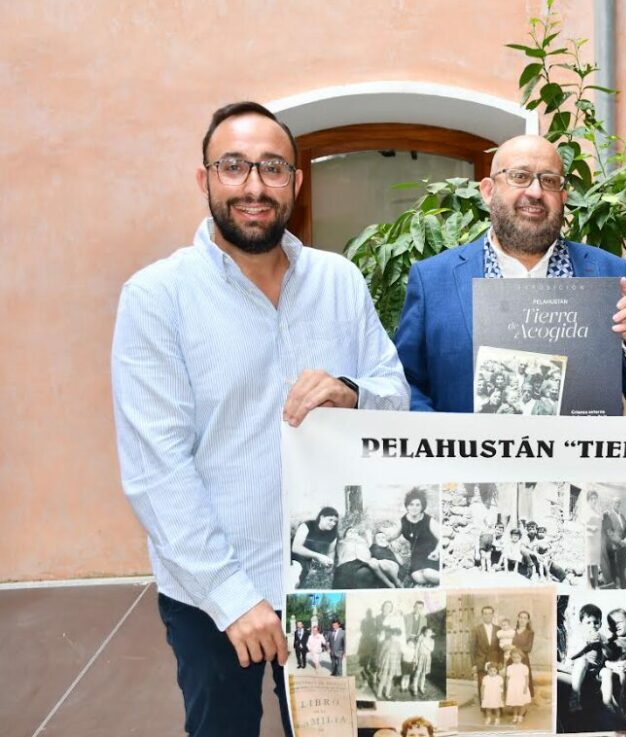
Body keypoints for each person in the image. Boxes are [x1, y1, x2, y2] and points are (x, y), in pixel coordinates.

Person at [111, 101, 409, 737]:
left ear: (296, 183)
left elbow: (395, 392)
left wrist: (354, 392)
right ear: (205, 180)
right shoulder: (157, 298)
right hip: (215, 594)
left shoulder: (340, 280)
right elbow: (156, 470)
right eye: (234, 166)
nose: (253, 186)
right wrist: (232, 597)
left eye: (272, 168)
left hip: (327, 588)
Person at [395, 134, 626, 412]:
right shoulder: (432, 280)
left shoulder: (611, 274)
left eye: (549, 180)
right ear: (488, 191)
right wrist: (444, 446)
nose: (535, 192)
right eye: (520, 176)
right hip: (466, 455)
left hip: (574, 454)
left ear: (562, 196)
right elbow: (405, 384)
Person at [389, 488, 440, 586]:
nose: (414, 508)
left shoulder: (429, 521)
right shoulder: (403, 522)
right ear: (407, 506)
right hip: (416, 557)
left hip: (432, 555)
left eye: (418, 505)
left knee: (428, 574)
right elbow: (391, 536)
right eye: (411, 504)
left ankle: (443, 580)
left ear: (422, 507)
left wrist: (437, 552)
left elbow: (441, 538)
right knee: (418, 578)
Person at [292, 507, 340, 588]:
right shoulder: (307, 526)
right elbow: (295, 548)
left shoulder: (333, 533)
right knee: (297, 579)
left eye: (335, 521)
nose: (333, 523)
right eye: (330, 520)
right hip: (296, 558)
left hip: (313, 561)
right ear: (321, 517)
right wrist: (319, 556)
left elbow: (331, 551)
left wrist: (329, 564)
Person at [471, 606, 504, 702]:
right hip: (481, 662)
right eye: (485, 613)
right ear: (482, 615)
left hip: (495, 661)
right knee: (482, 684)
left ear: (493, 615)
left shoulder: (499, 629)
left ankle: (497, 706)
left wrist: (501, 661)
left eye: (490, 613)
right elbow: (472, 648)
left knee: (496, 685)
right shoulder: (476, 629)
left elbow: (501, 647)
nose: (487, 616)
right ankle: (484, 707)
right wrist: (473, 664)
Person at [601, 496, 626, 588]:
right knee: (615, 570)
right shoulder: (607, 515)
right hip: (614, 547)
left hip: (623, 547)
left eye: (618, 503)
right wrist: (620, 541)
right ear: (612, 503)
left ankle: (623, 588)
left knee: (623, 569)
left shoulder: (622, 516)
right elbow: (609, 531)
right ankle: (617, 587)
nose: (617, 504)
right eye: (615, 502)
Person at [505, 648, 532, 724]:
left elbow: (527, 678)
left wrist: (525, 687)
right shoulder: (510, 667)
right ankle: (515, 716)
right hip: (513, 687)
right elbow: (507, 678)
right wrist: (508, 688)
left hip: (522, 686)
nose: (516, 659)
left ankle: (520, 716)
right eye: (514, 657)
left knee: (523, 702)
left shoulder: (524, 667)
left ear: (521, 657)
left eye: (518, 657)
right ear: (511, 658)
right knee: (515, 703)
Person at [411, 627, 435, 698]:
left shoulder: (432, 641)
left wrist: (424, 642)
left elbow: (431, 649)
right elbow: (416, 648)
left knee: (423, 674)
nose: (428, 633)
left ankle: (421, 687)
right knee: (417, 673)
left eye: (430, 632)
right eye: (427, 632)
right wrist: (416, 657)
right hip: (420, 656)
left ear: (431, 634)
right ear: (424, 632)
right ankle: (414, 688)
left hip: (427, 658)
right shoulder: (420, 639)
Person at [480, 661, 505, 726]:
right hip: (488, 695)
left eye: (494, 671)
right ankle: (488, 718)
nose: (492, 672)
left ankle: (497, 718)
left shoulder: (499, 678)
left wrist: (502, 696)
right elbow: (482, 687)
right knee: (488, 708)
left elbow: (501, 688)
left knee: (497, 708)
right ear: (487, 671)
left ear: (497, 671)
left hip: (496, 695)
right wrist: (482, 695)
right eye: (490, 671)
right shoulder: (485, 678)